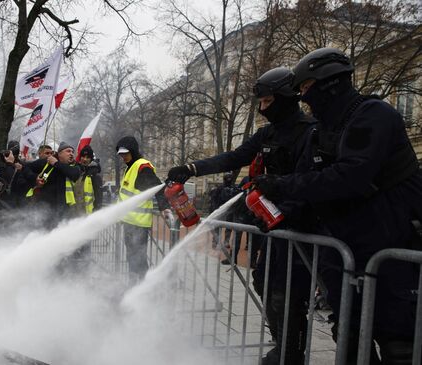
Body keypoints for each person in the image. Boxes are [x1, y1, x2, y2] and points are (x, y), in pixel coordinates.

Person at [254, 48, 422, 364]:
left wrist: (282, 184)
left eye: (306, 90)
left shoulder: (373, 115)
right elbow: (307, 185)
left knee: (397, 339)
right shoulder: (321, 132)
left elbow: (350, 177)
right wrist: (281, 215)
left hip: (391, 245)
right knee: (347, 334)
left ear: (329, 84)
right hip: (345, 251)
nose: (304, 100)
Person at [167, 66, 316, 364]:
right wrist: (191, 168)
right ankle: (281, 344)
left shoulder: (309, 132)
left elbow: (310, 182)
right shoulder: (267, 133)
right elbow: (234, 158)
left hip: (298, 226)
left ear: (286, 98)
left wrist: (286, 205)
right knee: (264, 283)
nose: (262, 109)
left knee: (285, 293)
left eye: (267, 101)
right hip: (271, 223)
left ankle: (291, 353)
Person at [116, 136, 171, 283]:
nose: (123, 157)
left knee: (138, 260)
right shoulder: (131, 167)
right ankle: (134, 285)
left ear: (133, 151)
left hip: (139, 225)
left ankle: (141, 289)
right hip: (129, 223)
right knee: (132, 258)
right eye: (121, 154)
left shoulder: (142, 167)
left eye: (125, 153)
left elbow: (157, 188)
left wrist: (164, 207)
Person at [27, 142, 81, 226]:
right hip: (44, 209)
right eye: (68, 151)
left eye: (72, 152)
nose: (71, 154)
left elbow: (74, 174)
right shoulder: (46, 162)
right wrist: (35, 178)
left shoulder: (75, 166)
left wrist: (56, 163)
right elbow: (26, 169)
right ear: (59, 153)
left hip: (63, 210)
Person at [74, 145, 103, 215]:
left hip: (89, 215)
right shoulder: (76, 172)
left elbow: (98, 199)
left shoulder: (95, 176)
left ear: (91, 159)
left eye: (87, 157)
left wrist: (95, 215)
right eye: (83, 156)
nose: (84, 159)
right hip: (75, 215)